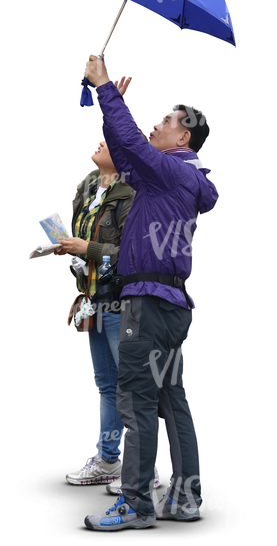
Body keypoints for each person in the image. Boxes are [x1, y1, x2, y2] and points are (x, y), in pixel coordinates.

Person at [81, 55, 219, 532]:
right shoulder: (175, 178)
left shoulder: (171, 173)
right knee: (170, 400)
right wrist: (109, 104)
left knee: (136, 401)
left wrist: (104, 88)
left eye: (166, 121)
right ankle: (185, 499)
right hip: (170, 306)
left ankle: (136, 505)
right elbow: (127, 149)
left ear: (184, 137)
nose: (156, 125)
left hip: (146, 304)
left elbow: (135, 147)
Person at [55, 79, 160, 494]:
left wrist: (90, 247)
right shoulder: (87, 187)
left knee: (133, 385)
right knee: (106, 384)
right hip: (94, 298)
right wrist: (71, 248)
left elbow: (133, 252)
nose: (100, 143)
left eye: (108, 140)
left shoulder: (135, 190)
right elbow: (91, 242)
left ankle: (143, 469)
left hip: (124, 300)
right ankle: (108, 459)